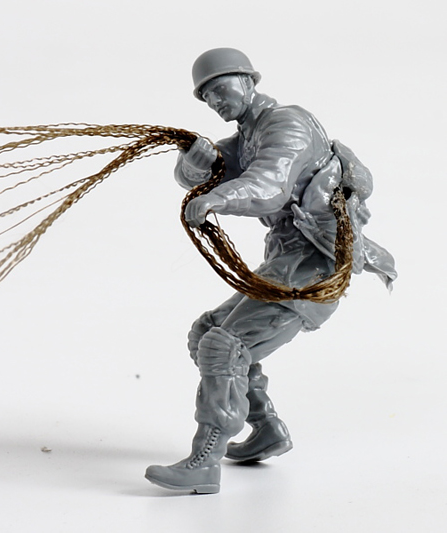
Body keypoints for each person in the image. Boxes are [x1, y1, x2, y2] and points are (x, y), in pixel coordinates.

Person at [144, 48, 396, 493]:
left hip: (315, 267)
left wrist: (218, 199)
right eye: (206, 96)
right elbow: (210, 171)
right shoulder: (248, 136)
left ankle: (205, 461)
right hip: (285, 262)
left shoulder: (287, 124)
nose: (215, 101)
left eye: (220, 89)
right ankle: (265, 429)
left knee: (224, 345)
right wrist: (194, 165)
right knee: (207, 332)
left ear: (248, 80)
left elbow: (269, 184)